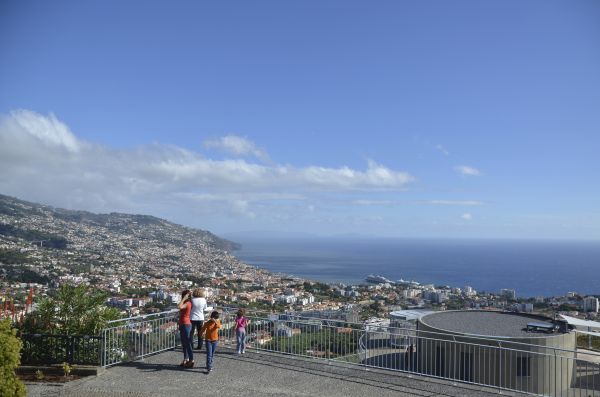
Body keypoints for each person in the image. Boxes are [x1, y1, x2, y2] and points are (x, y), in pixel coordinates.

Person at [178, 289, 194, 368]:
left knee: (187, 343)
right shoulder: (188, 303)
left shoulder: (187, 303)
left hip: (185, 324)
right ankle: (186, 359)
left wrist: (184, 298)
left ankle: (191, 359)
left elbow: (179, 306)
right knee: (184, 344)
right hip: (183, 324)